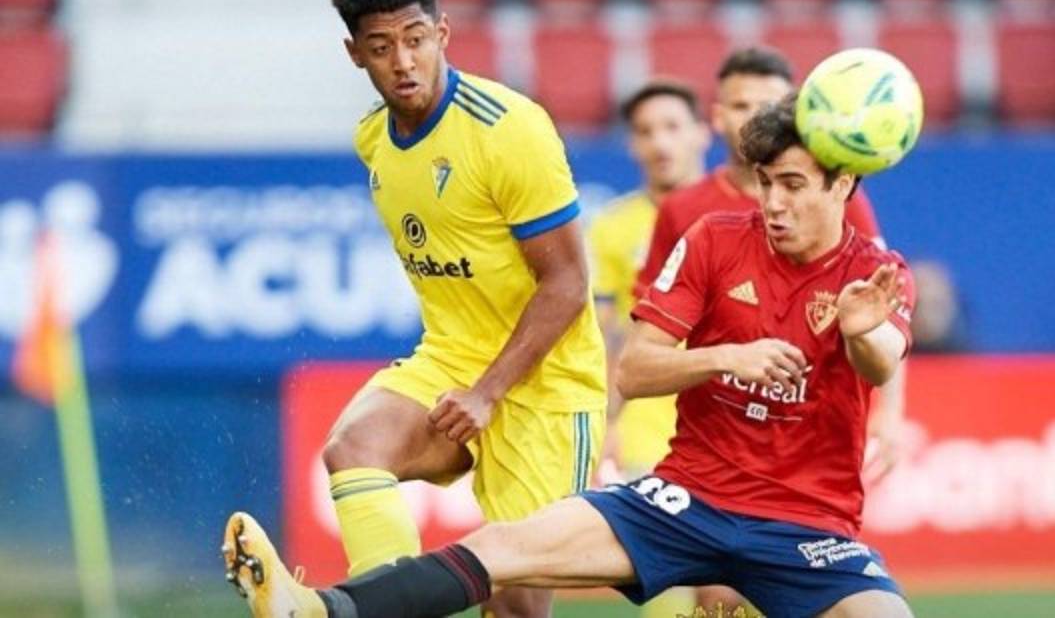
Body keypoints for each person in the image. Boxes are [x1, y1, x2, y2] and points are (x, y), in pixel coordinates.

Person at [223, 93, 917, 618]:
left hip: (807, 526)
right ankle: (319, 610)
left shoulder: (874, 273)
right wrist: (724, 358)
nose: (774, 201)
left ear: (842, 185)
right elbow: (636, 370)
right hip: (685, 501)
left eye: (793, 185)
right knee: (505, 550)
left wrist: (861, 329)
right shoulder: (713, 238)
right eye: (765, 181)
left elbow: (882, 362)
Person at [295, 0, 606, 618]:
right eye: (381, 48)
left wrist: (489, 393)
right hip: (450, 356)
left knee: (517, 605)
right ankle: (378, 610)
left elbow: (568, 284)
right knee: (353, 451)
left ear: (442, 32)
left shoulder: (510, 130)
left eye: (414, 40)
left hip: (546, 384)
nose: (403, 62)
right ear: (355, 55)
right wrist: (468, 381)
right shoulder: (373, 140)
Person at [634, 47, 908, 574]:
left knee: (731, 590)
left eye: (769, 103)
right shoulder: (691, 214)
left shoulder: (843, 204)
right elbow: (644, 333)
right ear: (718, 116)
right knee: (695, 583)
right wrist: (612, 419)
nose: (752, 116)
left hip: (794, 452)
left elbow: (879, 306)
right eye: (739, 104)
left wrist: (890, 415)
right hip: (685, 417)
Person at [587, 79, 710, 618]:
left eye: (671, 128)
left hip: (731, 418)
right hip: (646, 421)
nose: (660, 143)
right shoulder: (612, 229)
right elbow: (605, 336)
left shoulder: (747, 212)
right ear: (632, 145)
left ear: (703, 134)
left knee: (735, 590)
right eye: (644, 132)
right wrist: (606, 424)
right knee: (665, 586)